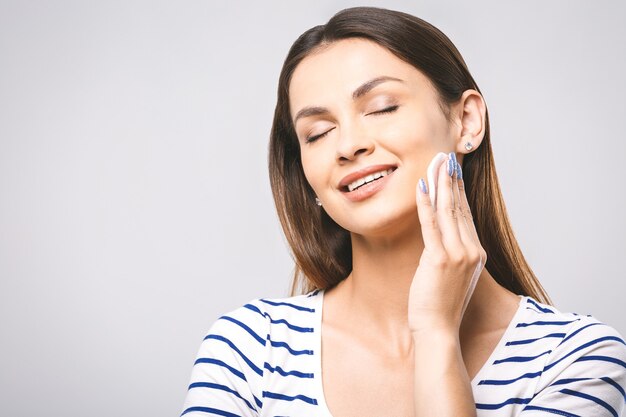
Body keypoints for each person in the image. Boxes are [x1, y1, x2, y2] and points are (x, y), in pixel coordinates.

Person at [181, 6, 626, 417]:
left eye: (382, 107)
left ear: (466, 122)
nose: (348, 144)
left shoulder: (576, 359)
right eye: (317, 133)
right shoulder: (250, 352)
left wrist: (435, 336)